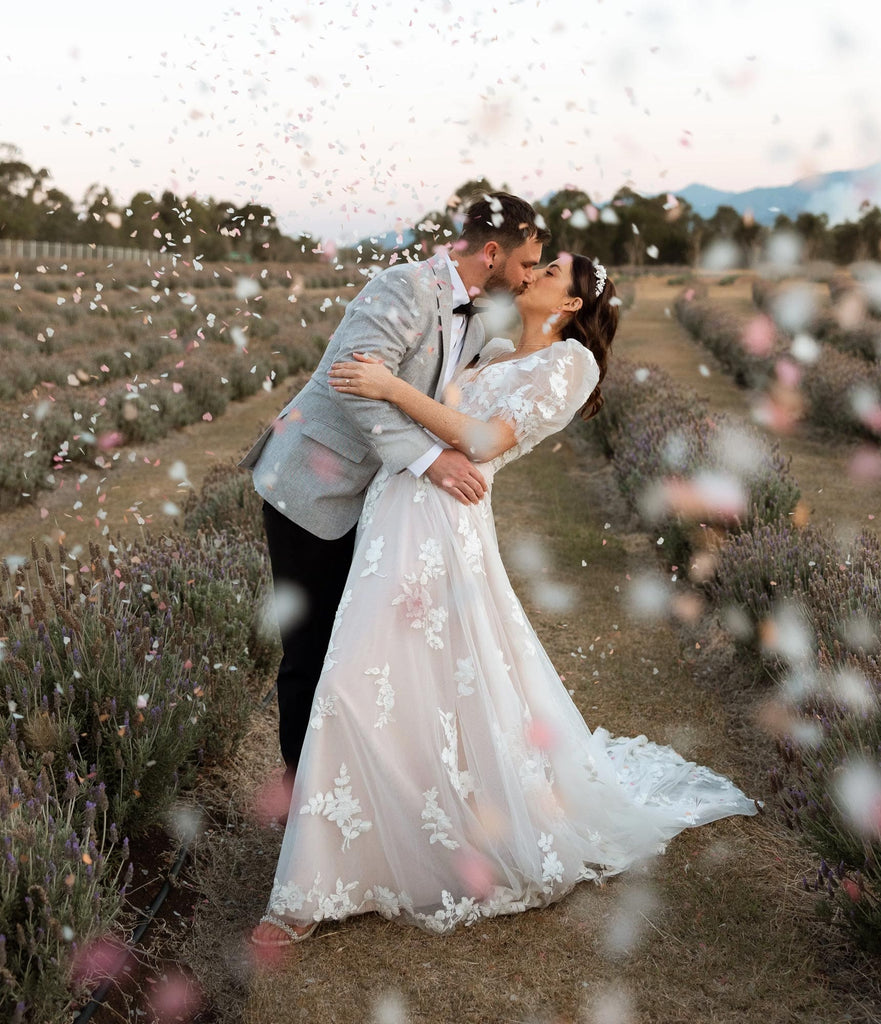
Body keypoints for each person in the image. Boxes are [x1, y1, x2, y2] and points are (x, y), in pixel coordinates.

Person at [250, 252, 758, 946]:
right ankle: (356, 846)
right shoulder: (489, 346)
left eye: (550, 271)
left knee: (350, 684)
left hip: (439, 523)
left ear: (573, 304)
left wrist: (392, 390)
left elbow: (487, 438)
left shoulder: (570, 367)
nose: (534, 273)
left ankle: (306, 896)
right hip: (391, 512)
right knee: (388, 684)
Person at [239, 193, 549, 784]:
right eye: (529, 263)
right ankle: (303, 799)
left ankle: (361, 784)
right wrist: (431, 459)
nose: (532, 275)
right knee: (310, 649)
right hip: (314, 488)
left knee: (362, 650)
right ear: (491, 253)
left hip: (381, 506)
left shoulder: (481, 319)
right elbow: (354, 381)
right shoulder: (404, 286)